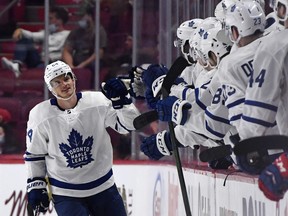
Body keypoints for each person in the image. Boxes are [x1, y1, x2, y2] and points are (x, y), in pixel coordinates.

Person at [24, 60, 139, 215]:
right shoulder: (40, 116)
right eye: (57, 82)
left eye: (66, 78)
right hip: (66, 193)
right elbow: (35, 154)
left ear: (74, 79)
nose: (64, 84)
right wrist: (36, 185)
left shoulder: (98, 101)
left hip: (104, 187)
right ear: (51, 88)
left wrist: (123, 103)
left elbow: (129, 125)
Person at [1, 6, 70, 78]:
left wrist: (51, 58)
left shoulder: (68, 35)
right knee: (25, 39)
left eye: (51, 18)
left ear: (59, 20)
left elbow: (67, 53)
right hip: (40, 61)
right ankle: (17, 64)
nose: (48, 21)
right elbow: (32, 35)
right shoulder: (46, 33)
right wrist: (20, 30)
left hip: (53, 63)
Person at [62, 4, 107, 72]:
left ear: (90, 16)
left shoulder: (99, 30)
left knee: (95, 65)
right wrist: (70, 65)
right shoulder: (75, 31)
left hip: (91, 62)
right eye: (78, 16)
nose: (79, 19)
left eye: (82, 16)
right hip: (77, 60)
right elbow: (67, 50)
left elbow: (99, 53)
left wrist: (82, 65)